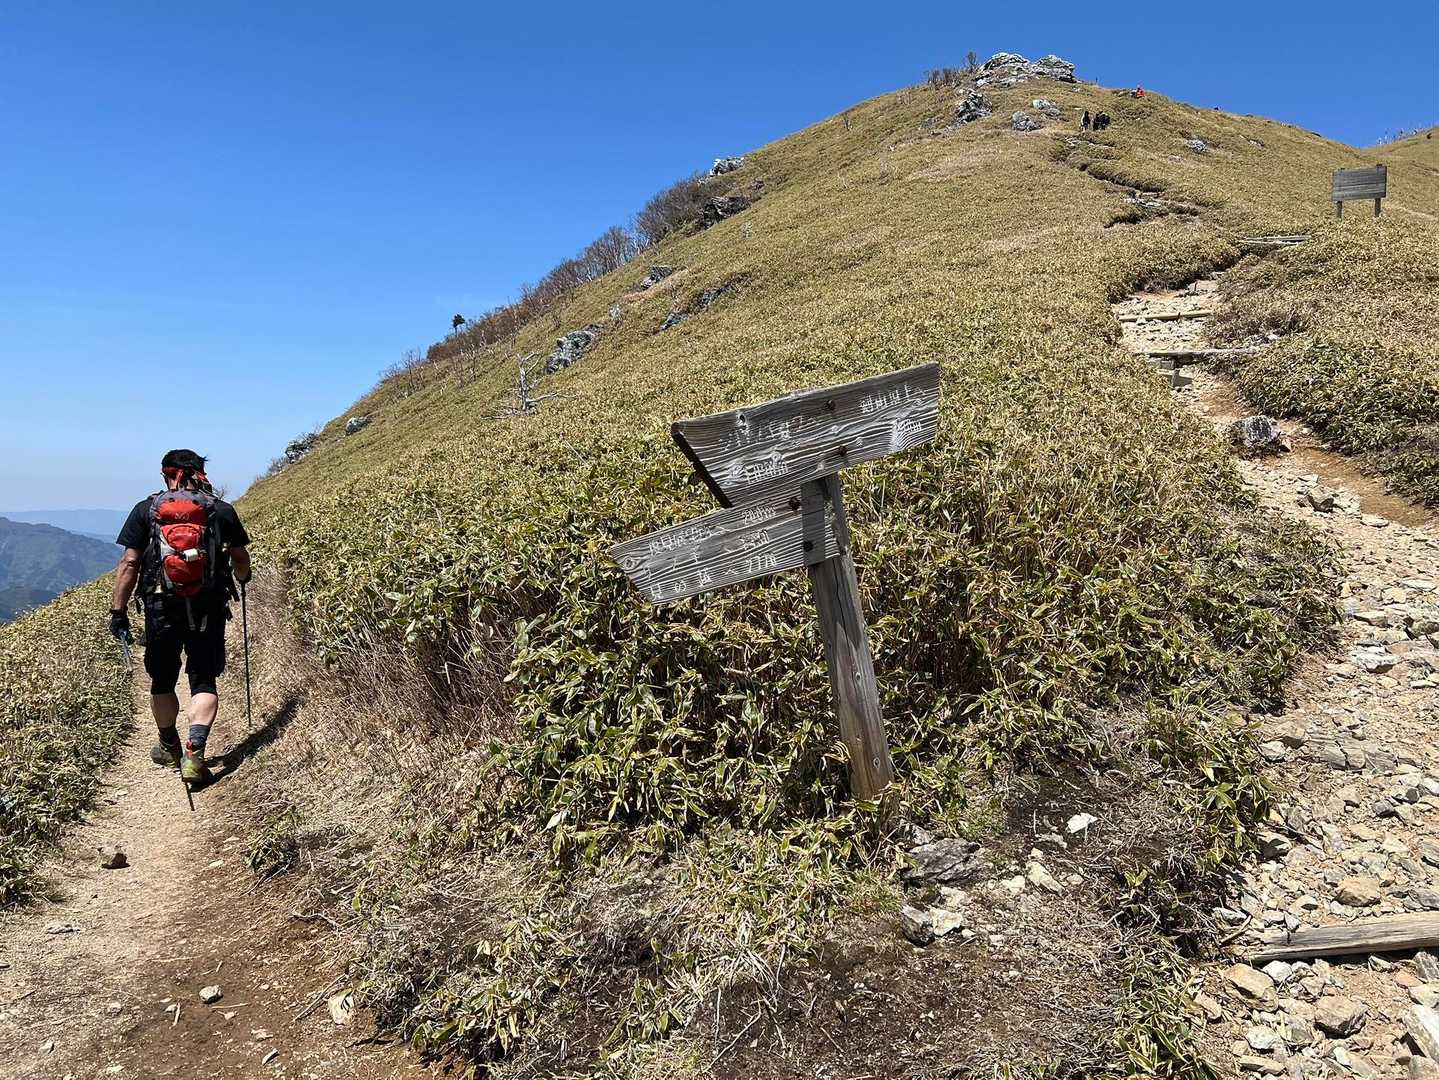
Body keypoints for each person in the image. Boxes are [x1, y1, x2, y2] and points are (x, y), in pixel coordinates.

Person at [109, 449, 252, 785]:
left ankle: (168, 744)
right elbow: (240, 557)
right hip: (208, 607)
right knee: (203, 679)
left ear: (165, 474)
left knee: (162, 679)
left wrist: (118, 610)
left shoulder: (146, 510)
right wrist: (243, 578)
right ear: (201, 473)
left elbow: (129, 563)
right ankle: (195, 751)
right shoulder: (220, 510)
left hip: (160, 606)